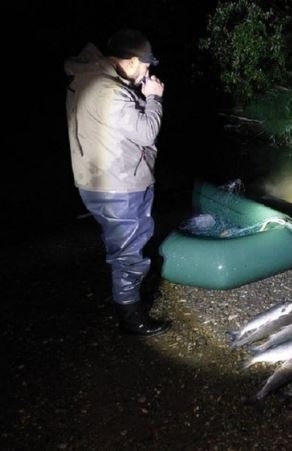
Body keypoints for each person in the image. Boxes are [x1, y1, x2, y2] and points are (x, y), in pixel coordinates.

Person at [65, 29, 170, 336]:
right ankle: (131, 320)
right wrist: (153, 97)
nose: (148, 71)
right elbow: (146, 131)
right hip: (120, 185)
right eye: (146, 65)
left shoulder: (87, 78)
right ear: (134, 60)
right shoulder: (109, 90)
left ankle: (127, 303)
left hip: (97, 180)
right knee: (129, 253)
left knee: (122, 247)